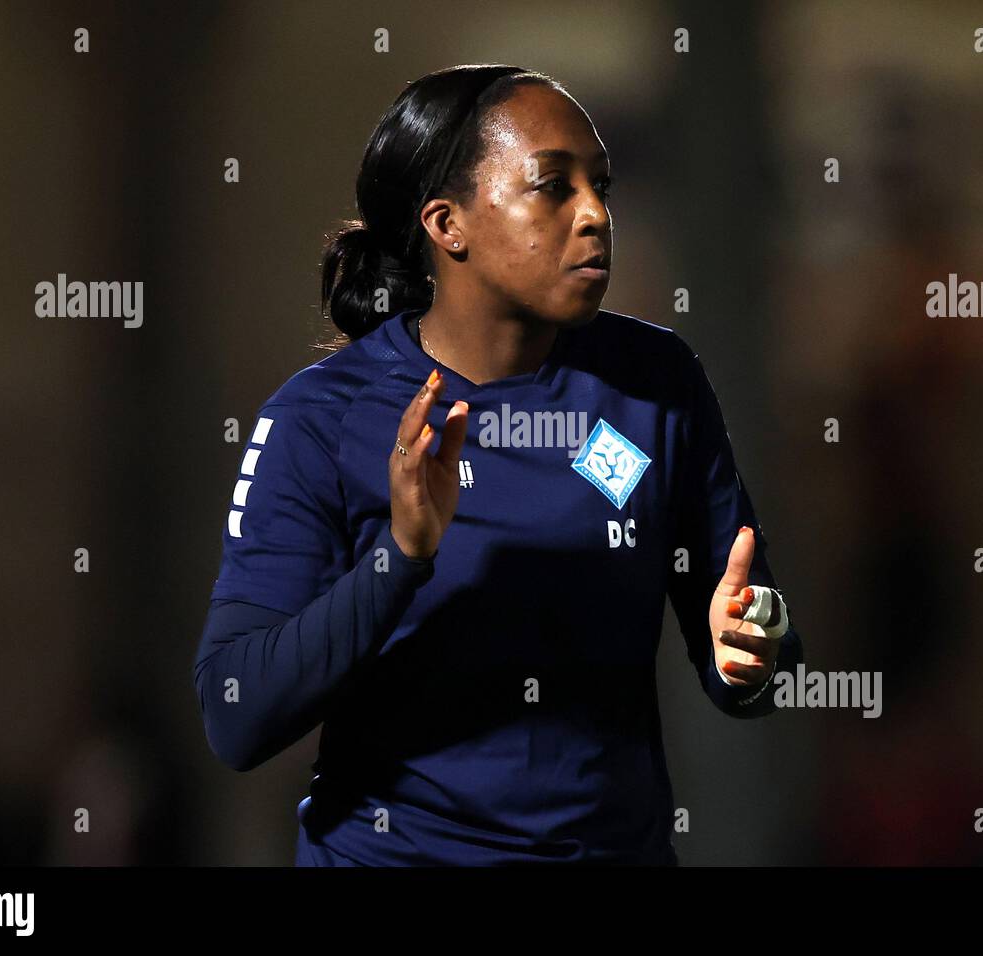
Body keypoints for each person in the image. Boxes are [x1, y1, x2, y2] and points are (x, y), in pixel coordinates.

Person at [193, 64, 804, 866]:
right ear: (450, 225)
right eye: (553, 187)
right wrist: (401, 557)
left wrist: (759, 643)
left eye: (602, 186)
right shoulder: (322, 420)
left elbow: (748, 660)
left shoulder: (655, 385)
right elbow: (235, 717)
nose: (595, 216)